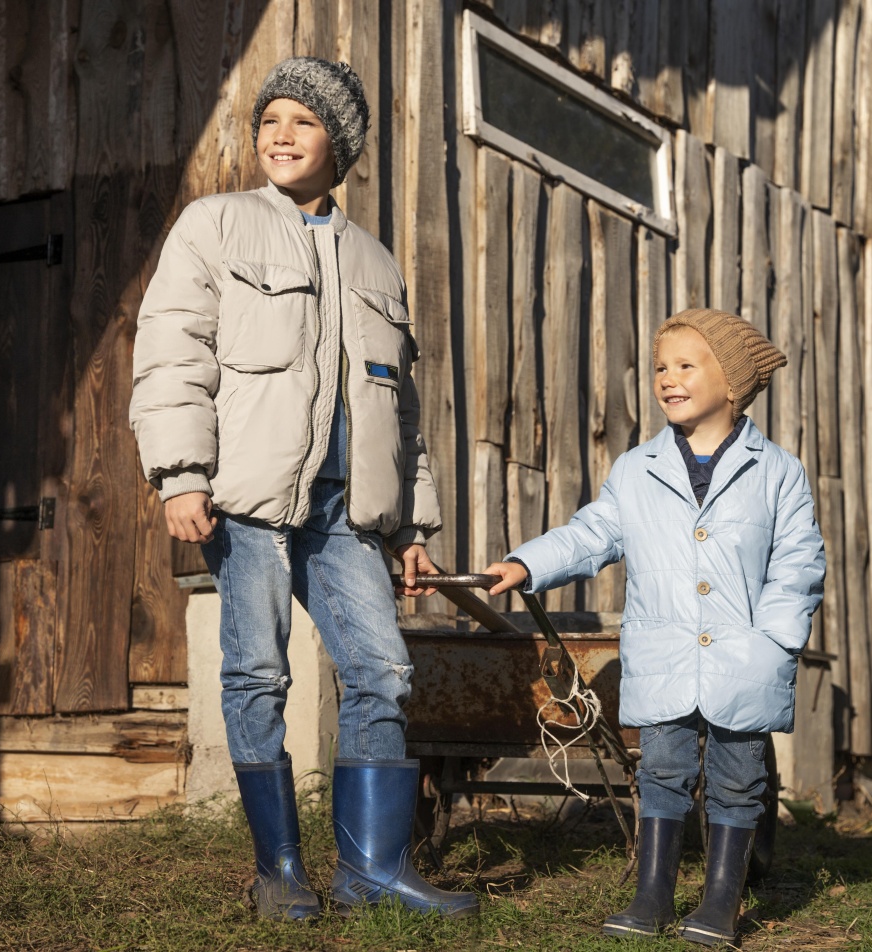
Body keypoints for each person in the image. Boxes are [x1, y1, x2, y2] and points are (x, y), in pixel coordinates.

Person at [129, 56, 477, 922]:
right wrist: (181, 474)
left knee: (383, 670)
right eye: (270, 119)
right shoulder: (215, 226)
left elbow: (400, 411)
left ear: (341, 142)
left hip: (342, 511)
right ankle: (279, 871)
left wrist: (410, 524)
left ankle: (372, 872)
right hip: (245, 501)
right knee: (256, 673)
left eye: (304, 121)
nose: (281, 135)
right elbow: (173, 353)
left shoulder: (374, 259)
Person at [483, 309, 825, 945]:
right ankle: (653, 895)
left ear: (732, 381)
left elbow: (799, 563)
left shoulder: (777, 470)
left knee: (738, 774)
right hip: (664, 650)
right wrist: (527, 561)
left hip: (744, 657)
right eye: (661, 367)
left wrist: (774, 641)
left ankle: (721, 900)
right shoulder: (638, 469)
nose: (668, 378)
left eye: (686, 366)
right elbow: (593, 533)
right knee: (662, 769)